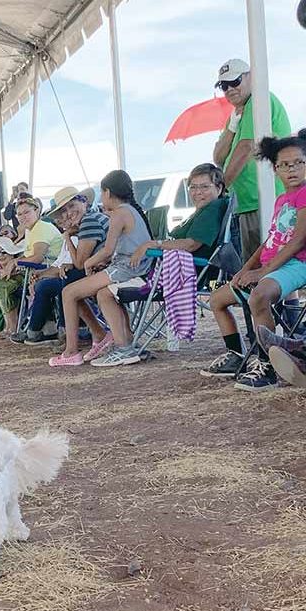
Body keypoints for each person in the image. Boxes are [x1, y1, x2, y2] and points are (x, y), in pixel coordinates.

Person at [200, 130, 306, 391]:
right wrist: (246, 268)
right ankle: (236, 355)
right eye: (284, 165)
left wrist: (264, 271)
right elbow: (271, 240)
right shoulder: (283, 199)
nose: (291, 169)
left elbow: (298, 241)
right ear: (275, 169)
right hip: (272, 265)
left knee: (259, 296)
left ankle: (267, 366)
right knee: (216, 299)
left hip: (297, 263)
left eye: (298, 162)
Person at [50, 170, 152, 367]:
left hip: (126, 268)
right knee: (103, 293)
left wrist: (89, 263)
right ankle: (125, 345)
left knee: (68, 292)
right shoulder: (130, 210)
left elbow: (108, 250)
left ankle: (71, 352)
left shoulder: (118, 213)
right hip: (137, 267)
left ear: (107, 192)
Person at [212, 58, 291, 260]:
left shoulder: (259, 100)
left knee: (269, 267)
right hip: (247, 203)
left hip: (264, 200)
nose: (229, 89)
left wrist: (219, 191)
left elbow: (245, 148)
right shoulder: (238, 113)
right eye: (224, 85)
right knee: (256, 269)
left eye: (235, 81)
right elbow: (218, 157)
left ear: (251, 77)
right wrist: (231, 127)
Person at [13, 187, 109, 345]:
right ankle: (53, 331)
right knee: (57, 281)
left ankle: (72, 338)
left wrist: (68, 237)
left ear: (84, 202)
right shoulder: (83, 223)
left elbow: (77, 263)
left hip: (108, 271)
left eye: (71, 207)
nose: (66, 216)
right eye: (62, 213)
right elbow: (64, 263)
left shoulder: (87, 223)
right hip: (102, 269)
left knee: (66, 284)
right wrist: (40, 275)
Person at [130, 164, 228, 265]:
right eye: (193, 187)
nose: (198, 192)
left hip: (187, 272)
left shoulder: (212, 210)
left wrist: (154, 244)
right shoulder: (206, 209)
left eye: (205, 187)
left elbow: (191, 245)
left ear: (219, 188)